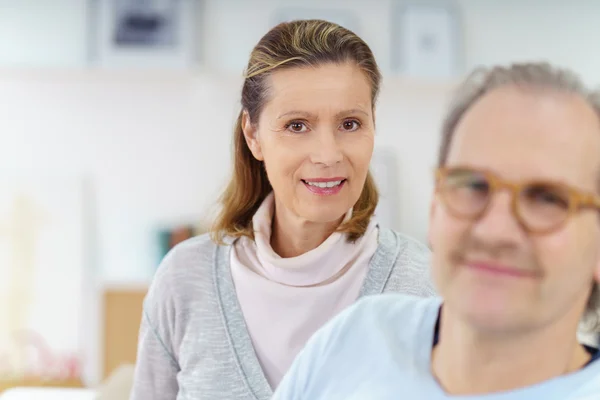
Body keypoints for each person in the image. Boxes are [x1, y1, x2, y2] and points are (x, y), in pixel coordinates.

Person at [129, 19, 435, 400]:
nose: (327, 155)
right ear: (253, 135)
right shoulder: (185, 281)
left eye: (350, 123)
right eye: (297, 126)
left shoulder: (424, 288)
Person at [272, 62, 600, 400]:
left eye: (547, 199)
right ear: (434, 209)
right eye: (471, 185)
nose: (495, 230)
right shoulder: (353, 337)